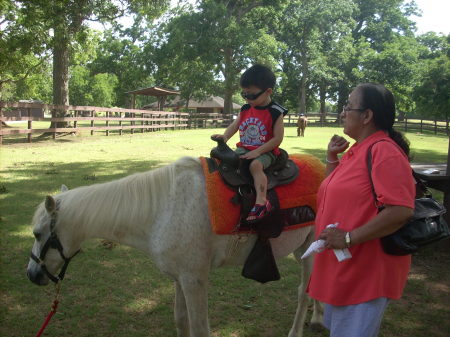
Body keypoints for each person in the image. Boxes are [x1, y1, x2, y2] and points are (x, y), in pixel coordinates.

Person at [306, 83, 415, 337]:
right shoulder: (359, 149)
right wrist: (332, 158)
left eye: (348, 106)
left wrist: (348, 238)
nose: (343, 112)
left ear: (367, 116)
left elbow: (401, 210)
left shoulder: (384, 151)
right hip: (346, 267)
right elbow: (334, 191)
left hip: (367, 272)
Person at [211, 64, 288, 222]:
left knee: (255, 166)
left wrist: (258, 152)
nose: (247, 99)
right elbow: (235, 125)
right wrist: (224, 137)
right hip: (244, 148)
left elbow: (277, 139)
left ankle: (261, 201)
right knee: (222, 160)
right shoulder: (246, 108)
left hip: (266, 151)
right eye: (244, 94)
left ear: (268, 91)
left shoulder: (275, 112)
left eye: (251, 95)